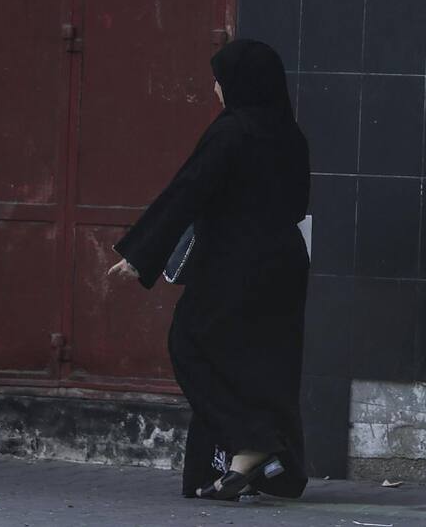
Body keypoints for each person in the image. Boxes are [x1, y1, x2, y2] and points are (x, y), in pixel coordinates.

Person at [106, 39, 310, 501]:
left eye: (220, 79)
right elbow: (299, 202)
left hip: (236, 260)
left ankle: (253, 442)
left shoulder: (232, 131)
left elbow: (188, 192)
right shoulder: (289, 133)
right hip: (285, 261)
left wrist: (140, 253)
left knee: (191, 343)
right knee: (263, 361)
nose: (216, 88)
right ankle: (249, 469)